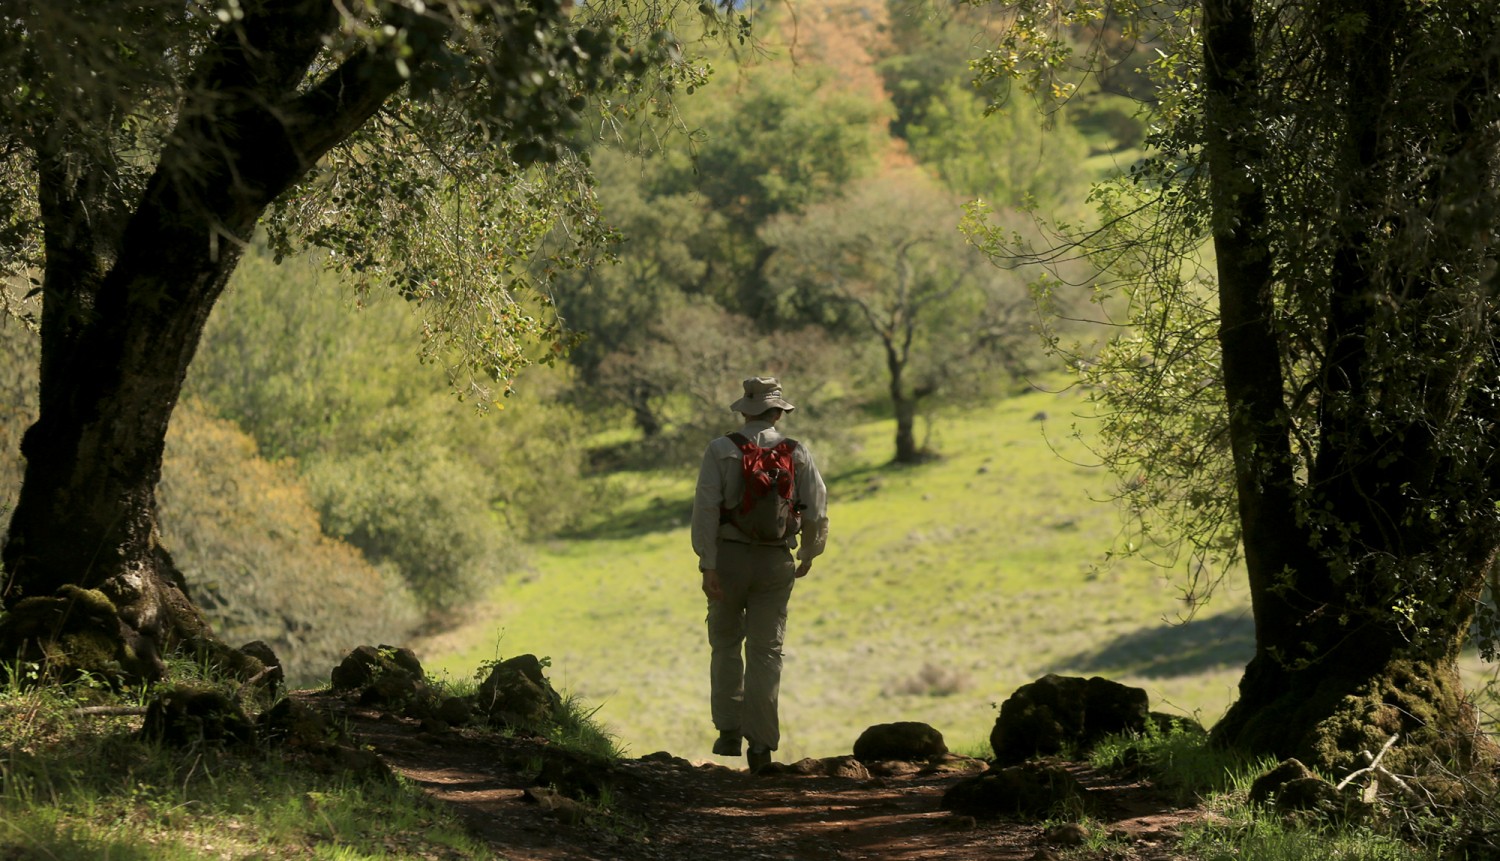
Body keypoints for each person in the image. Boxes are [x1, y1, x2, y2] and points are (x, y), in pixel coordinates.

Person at [691, 376, 828, 772]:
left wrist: (708, 563)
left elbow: (705, 510)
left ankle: (728, 730)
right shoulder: (796, 452)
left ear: (744, 410)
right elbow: (817, 508)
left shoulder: (719, 450)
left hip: (729, 560)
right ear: (776, 412)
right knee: (767, 652)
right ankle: (762, 746)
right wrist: (810, 553)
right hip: (775, 562)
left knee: (726, 643)